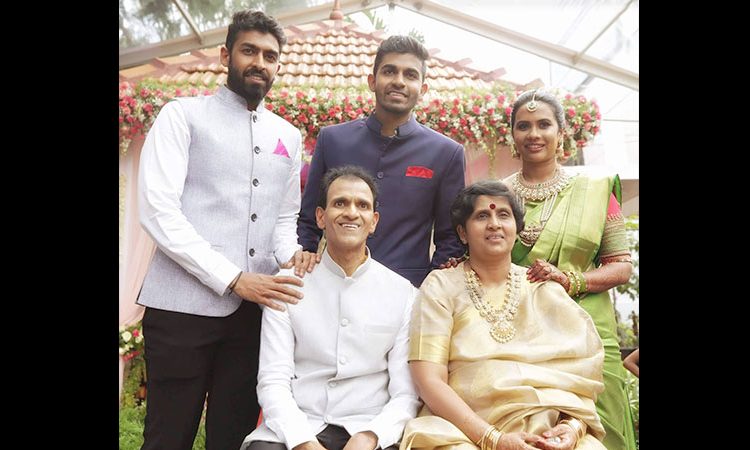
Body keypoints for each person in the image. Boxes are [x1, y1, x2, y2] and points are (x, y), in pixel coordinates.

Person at [137, 10, 318, 450]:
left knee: (234, 437)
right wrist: (234, 278)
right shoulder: (182, 116)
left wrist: (292, 256)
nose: (260, 62)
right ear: (225, 55)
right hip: (180, 309)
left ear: (278, 65)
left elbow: (282, 220)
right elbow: (159, 211)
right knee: (167, 437)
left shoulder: (288, 135)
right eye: (249, 51)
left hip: (252, 317)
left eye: (270, 56)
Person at [401, 180, 606, 450]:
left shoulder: (544, 289)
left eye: (504, 215)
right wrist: (493, 439)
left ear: (517, 229)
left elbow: (580, 381)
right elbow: (429, 380)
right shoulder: (440, 286)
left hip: (547, 428)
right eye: (482, 216)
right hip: (462, 429)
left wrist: (571, 428)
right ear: (462, 233)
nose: (494, 224)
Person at [242, 166, 421, 450]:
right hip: (301, 423)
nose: (351, 212)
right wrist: (303, 442)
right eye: (340, 203)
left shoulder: (403, 293)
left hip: (369, 426)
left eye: (362, 205)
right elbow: (273, 381)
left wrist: (371, 436)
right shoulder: (288, 284)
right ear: (320, 217)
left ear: (373, 221)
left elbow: (406, 394)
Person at [503, 89, 636, 450]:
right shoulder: (496, 195)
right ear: (512, 135)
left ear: (561, 133)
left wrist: (570, 279)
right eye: (523, 126)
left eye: (544, 124)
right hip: (521, 328)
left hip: (589, 324)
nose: (533, 134)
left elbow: (621, 266)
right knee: (534, 426)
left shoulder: (595, 188)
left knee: (603, 425)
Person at [297, 35, 466, 287]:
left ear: (423, 89)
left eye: (410, 75)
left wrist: (428, 289)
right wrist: (306, 260)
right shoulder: (333, 140)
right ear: (372, 81)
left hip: (409, 290)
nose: (399, 81)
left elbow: (451, 238)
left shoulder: (445, 153)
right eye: (389, 71)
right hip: (331, 284)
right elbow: (309, 219)